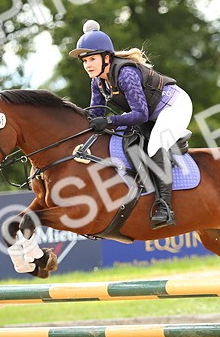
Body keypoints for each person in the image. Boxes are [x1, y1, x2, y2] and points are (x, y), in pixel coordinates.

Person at [69, 19, 192, 229]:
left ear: (106, 58)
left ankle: (165, 207)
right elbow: (95, 114)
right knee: (123, 139)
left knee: (155, 145)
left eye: (91, 59)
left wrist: (109, 121)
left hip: (174, 106)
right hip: (151, 113)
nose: (87, 65)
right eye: (84, 61)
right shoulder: (98, 81)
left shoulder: (125, 73)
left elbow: (140, 114)